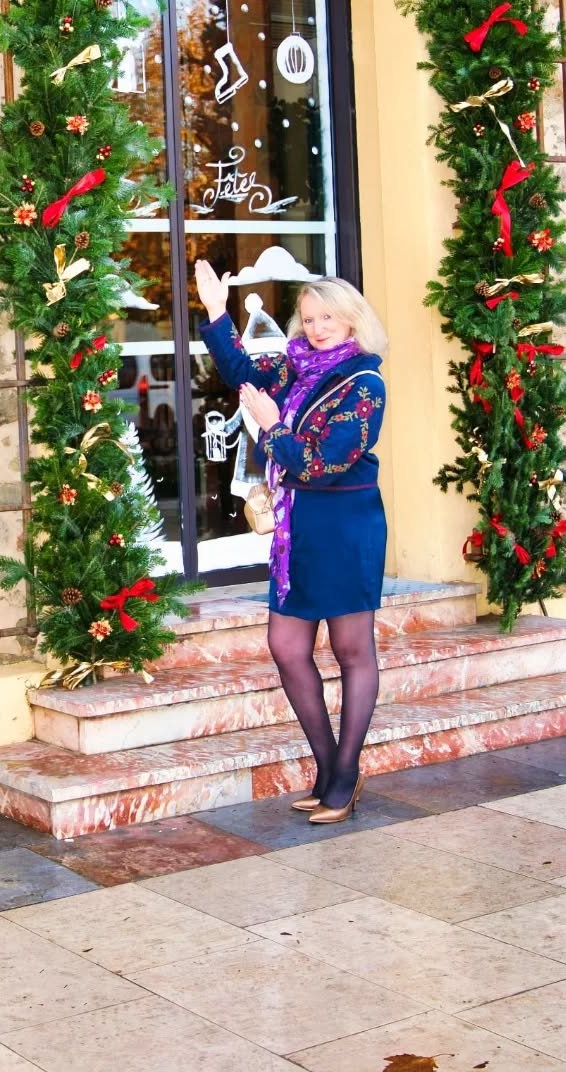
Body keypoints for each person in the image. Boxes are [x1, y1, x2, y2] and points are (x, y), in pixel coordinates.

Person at [195, 263, 388, 823]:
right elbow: (240, 370)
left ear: (351, 320)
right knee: (286, 646)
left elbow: (323, 463)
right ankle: (329, 769)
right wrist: (216, 311)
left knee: (353, 650)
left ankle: (344, 775)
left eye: (328, 317)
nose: (318, 327)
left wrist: (273, 425)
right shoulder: (295, 366)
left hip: (345, 525)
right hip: (297, 529)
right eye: (309, 319)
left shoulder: (364, 383)